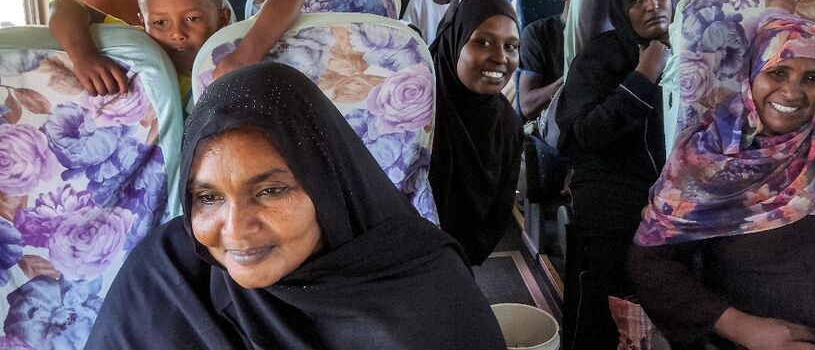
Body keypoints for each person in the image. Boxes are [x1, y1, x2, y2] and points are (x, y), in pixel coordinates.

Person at [83, 62, 507, 350]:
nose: (236, 229)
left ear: (329, 186)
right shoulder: (164, 278)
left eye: (269, 191)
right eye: (208, 197)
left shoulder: (430, 300)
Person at [630, 17, 815, 350]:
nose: (792, 91)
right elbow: (652, 265)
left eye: (812, 78)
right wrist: (745, 330)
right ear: (750, 75)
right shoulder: (708, 160)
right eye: (778, 73)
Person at [555, 0, 672, 349]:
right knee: (609, 295)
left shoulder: (698, 53)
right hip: (613, 188)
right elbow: (585, 133)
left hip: (679, 190)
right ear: (620, 10)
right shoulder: (599, 57)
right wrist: (644, 76)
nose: (652, 4)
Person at [48, 0, 304, 110]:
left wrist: (247, 52)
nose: (176, 33)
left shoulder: (231, 48)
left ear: (222, 18)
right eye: (160, 23)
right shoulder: (138, 47)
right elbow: (62, 6)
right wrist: (83, 55)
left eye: (192, 18)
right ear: (142, 22)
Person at [428, 0, 524, 266]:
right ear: (454, 42)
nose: (500, 58)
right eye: (483, 42)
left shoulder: (507, 125)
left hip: (462, 263)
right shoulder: (412, 113)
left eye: (511, 46)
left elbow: (495, 217)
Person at [518, 0, 604, 120]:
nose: (594, 1)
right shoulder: (538, 34)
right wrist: (568, 80)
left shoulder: (615, 32)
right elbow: (527, 106)